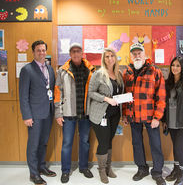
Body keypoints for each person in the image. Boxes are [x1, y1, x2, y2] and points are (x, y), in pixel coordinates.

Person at [122, 43, 166, 185]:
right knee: (137, 143)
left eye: (139, 53)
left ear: (144, 54)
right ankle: (142, 168)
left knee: (155, 144)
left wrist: (157, 117)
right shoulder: (127, 72)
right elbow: (124, 96)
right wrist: (125, 114)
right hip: (134, 116)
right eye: (134, 53)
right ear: (131, 56)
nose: (136, 56)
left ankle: (157, 171)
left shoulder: (155, 71)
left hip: (150, 116)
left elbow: (161, 96)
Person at [54, 43, 95, 183]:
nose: (76, 53)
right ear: (70, 54)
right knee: (67, 143)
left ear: (82, 53)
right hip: (68, 114)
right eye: (73, 51)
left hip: (85, 113)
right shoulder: (63, 70)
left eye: (78, 51)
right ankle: (65, 170)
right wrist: (58, 114)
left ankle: (83, 167)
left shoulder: (90, 69)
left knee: (84, 142)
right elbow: (58, 93)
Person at [19, 40, 56, 185]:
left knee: (44, 143)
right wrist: (26, 115)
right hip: (34, 115)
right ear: (33, 52)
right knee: (33, 144)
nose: (41, 53)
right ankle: (33, 174)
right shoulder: (27, 70)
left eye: (43, 50)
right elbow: (23, 96)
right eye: (38, 50)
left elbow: (50, 89)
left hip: (48, 113)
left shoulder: (50, 69)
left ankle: (41, 167)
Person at [88, 48, 124, 184]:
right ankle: (102, 170)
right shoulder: (98, 74)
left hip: (114, 115)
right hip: (100, 115)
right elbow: (91, 92)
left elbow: (120, 92)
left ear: (115, 58)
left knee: (109, 141)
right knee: (103, 142)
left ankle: (108, 168)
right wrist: (106, 99)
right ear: (104, 59)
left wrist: (126, 98)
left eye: (112, 56)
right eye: (107, 56)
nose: (110, 59)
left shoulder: (118, 74)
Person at [162, 56, 183, 185]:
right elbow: (164, 103)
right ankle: (176, 170)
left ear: (182, 67)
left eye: (178, 65)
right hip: (171, 121)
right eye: (173, 65)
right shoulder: (168, 82)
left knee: (178, 148)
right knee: (175, 148)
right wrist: (164, 119)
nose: (175, 68)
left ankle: (182, 174)